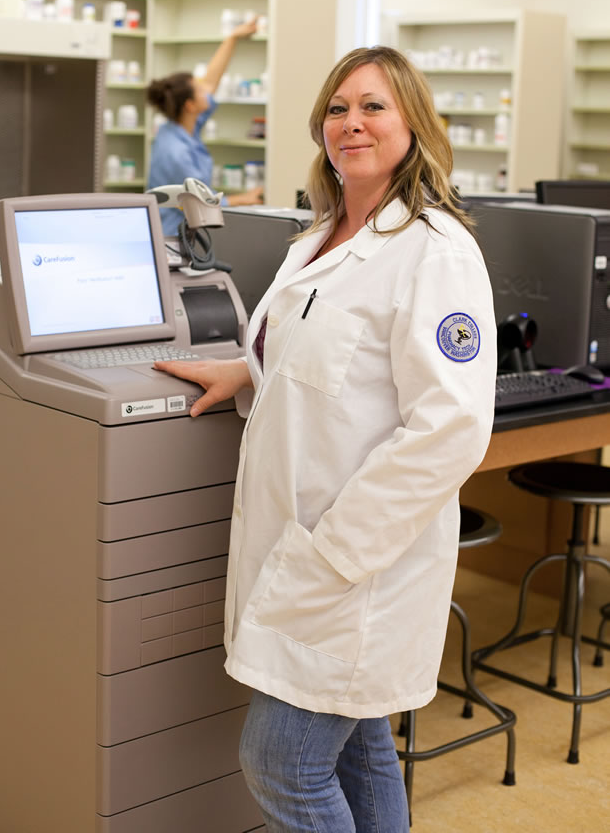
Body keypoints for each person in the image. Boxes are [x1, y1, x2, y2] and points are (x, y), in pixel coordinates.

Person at [153, 46, 497, 831]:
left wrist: (337, 551)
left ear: (412, 122)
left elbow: (450, 430)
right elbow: (328, 361)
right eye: (338, 108)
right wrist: (247, 374)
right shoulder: (320, 238)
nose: (352, 123)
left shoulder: (433, 252)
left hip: (354, 565)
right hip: (309, 551)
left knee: (282, 765)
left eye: (373, 106)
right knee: (359, 750)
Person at [146, 19, 264, 236]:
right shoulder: (175, 151)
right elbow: (199, 201)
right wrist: (243, 199)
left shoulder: (185, 126)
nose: (206, 90)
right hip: (170, 237)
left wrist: (233, 37)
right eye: (199, 90)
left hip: (188, 230)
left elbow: (211, 80)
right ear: (190, 105)